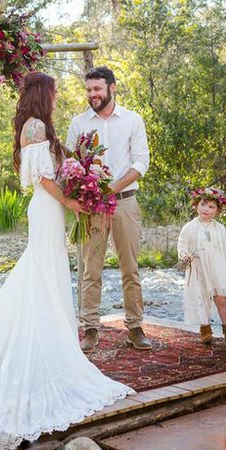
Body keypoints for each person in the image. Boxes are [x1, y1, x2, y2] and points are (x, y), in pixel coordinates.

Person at [0, 72, 135, 450]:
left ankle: (52, 343)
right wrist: (72, 200)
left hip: (51, 209)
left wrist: (82, 182)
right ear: (43, 94)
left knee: (47, 275)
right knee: (40, 274)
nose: (56, 98)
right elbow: (42, 177)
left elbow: (55, 172)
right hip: (46, 207)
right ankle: (40, 347)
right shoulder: (35, 125)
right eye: (53, 93)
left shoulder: (37, 124)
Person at [67, 66, 151, 352]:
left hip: (125, 202)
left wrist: (110, 189)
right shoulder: (79, 123)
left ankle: (135, 326)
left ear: (112, 88)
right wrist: (82, 192)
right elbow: (70, 164)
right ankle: (90, 329)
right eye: (89, 90)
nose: (92, 94)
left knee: (130, 267)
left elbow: (141, 163)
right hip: (92, 208)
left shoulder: (132, 120)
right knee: (91, 269)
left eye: (97, 89)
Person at [177, 188, 226, 344]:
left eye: (211, 207)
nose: (206, 209)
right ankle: (205, 328)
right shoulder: (190, 227)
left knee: (221, 299)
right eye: (203, 204)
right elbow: (182, 245)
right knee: (201, 297)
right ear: (196, 205)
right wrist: (185, 255)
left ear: (217, 211)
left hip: (218, 267)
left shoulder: (220, 229)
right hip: (199, 267)